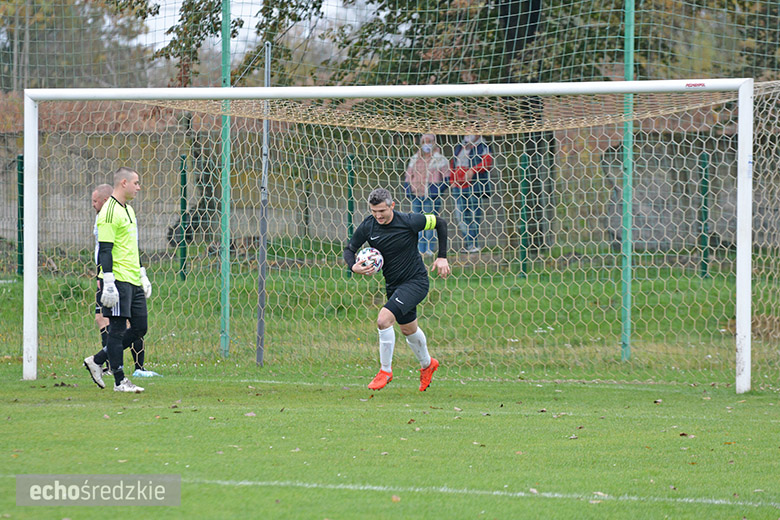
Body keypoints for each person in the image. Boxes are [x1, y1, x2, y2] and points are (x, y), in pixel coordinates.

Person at [344, 188, 451, 391]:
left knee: (383, 320)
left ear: (392, 206)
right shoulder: (369, 226)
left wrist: (442, 256)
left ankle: (385, 371)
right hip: (393, 285)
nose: (378, 216)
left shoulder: (409, 221)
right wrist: (353, 266)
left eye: (382, 211)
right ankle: (428, 365)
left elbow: (440, 222)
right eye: (374, 211)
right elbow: (350, 249)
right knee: (408, 329)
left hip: (416, 281)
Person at [83, 167, 152, 393]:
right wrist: (109, 280)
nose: (139, 187)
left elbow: (131, 246)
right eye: (136, 183)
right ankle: (120, 381)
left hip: (133, 278)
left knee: (140, 327)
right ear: (124, 183)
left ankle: (97, 359)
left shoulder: (129, 211)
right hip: (118, 279)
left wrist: (142, 273)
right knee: (118, 329)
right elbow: (105, 249)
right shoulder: (109, 212)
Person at [404, 133, 449, 255]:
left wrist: (436, 191)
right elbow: (408, 176)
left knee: (429, 223)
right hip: (416, 195)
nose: (426, 144)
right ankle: (419, 250)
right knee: (416, 224)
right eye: (424, 141)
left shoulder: (440, 159)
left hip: (431, 196)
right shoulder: (414, 158)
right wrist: (408, 190)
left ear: (434, 143)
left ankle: (429, 250)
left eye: (429, 141)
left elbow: (446, 178)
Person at [449, 134, 493, 253]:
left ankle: (473, 244)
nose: (468, 132)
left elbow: (487, 161)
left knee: (474, 215)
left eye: (471, 129)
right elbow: (453, 163)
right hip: (458, 187)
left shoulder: (483, 146)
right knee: (461, 216)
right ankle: (469, 243)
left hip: (474, 186)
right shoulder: (460, 146)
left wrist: (473, 170)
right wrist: (452, 180)